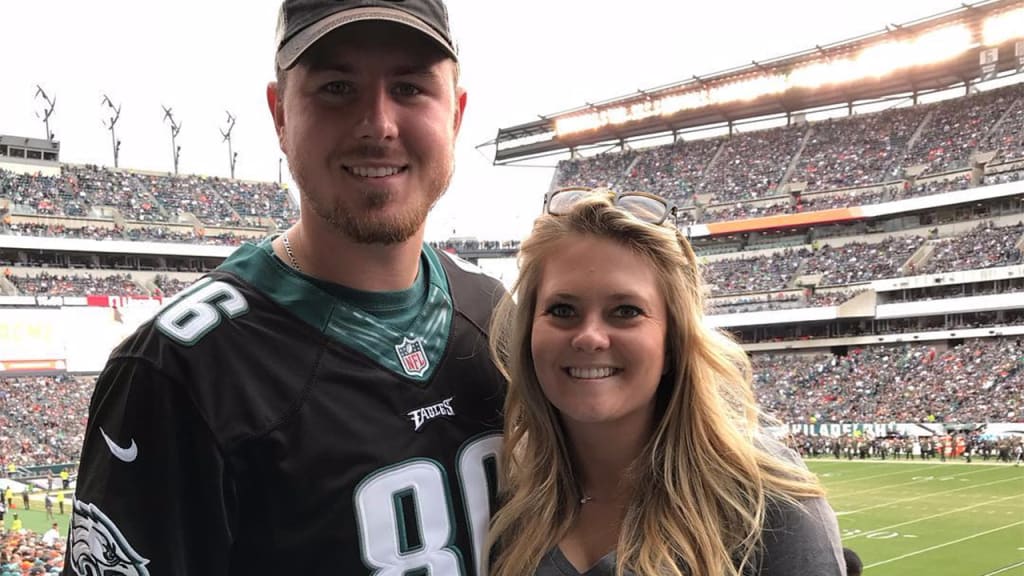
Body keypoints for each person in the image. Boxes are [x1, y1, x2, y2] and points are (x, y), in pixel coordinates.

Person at [65, 1, 505, 574]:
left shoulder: (496, 313)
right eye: (337, 87)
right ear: (279, 115)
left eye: (410, 88)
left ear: (457, 115)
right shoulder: (176, 370)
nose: (378, 124)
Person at [487, 188, 845, 576]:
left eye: (626, 311)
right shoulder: (507, 501)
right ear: (529, 335)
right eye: (562, 310)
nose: (589, 336)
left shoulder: (767, 505)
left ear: (672, 343)